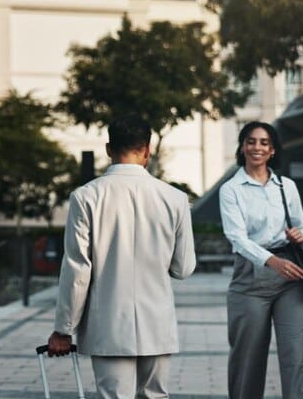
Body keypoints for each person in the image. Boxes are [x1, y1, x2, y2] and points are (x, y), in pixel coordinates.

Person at [47, 115, 196, 399]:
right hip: (157, 322)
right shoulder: (175, 198)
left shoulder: (86, 196)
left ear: (108, 148)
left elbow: (78, 269)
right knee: (155, 396)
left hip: (108, 324)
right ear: (148, 150)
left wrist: (63, 329)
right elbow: (184, 268)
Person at [220, 121, 303, 398]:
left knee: (298, 356)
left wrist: (301, 236)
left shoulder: (286, 186)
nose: (257, 147)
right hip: (251, 276)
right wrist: (273, 262)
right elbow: (237, 238)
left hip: (292, 274)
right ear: (242, 147)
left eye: (264, 142)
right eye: (251, 141)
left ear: (272, 150)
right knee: (247, 359)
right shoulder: (232, 189)